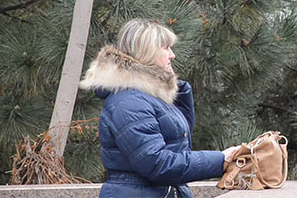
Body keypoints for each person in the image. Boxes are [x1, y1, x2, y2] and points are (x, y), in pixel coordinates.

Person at [80, 18, 238, 198]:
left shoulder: (148, 96)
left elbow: (177, 143)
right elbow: (158, 164)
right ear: (146, 51)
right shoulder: (129, 102)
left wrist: (176, 90)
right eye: (165, 48)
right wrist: (221, 160)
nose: (172, 55)